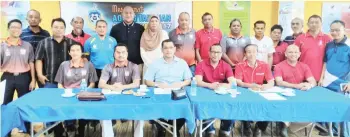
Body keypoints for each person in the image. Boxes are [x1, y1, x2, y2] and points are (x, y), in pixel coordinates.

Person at [35, 18, 78, 137]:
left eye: (61, 27)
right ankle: (55, 128)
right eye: (56, 27)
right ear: (51, 27)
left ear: (65, 29)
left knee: (69, 104)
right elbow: (38, 59)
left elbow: (78, 60)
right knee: (52, 104)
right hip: (50, 79)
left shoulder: (71, 43)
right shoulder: (44, 42)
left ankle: (70, 125)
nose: (58, 30)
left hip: (69, 81)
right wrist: (39, 74)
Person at [144, 39, 192, 137]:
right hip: (160, 91)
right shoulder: (155, 63)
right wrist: (158, 84)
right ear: (162, 50)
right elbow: (147, 81)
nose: (168, 50)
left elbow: (188, 80)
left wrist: (180, 84)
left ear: (175, 49)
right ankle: (161, 128)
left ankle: (175, 127)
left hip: (177, 91)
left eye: (171, 48)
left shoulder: (182, 63)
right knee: (153, 106)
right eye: (165, 48)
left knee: (186, 106)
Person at [54, 43, 98, 137]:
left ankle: (81, 128)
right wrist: (65, 92)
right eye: (73, 50)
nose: (75, 52)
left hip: (83, 94)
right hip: (67, 95)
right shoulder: (64, 65)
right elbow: (59, 83)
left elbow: (92, 83)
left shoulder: (89, 65)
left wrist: (85, 91)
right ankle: (68, 127)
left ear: (82, 52)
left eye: (78, 50)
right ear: (69, 52)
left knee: (83, 109)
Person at [1, 19, 36, 136]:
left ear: (21, 30)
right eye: (13, 27)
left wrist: (33, 79)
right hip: (7, 78)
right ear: (8, 29)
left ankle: (27, 128)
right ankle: (5, 130)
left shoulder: (27, 46)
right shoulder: (2, 46)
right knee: (5, 104)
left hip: (24, 77)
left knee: (25, 103)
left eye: (18, 27)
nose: (16, 29)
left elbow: (31, 63)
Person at [99, 43, 142, 137]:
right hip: (112, 100)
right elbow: (101, 84)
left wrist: (122, 87)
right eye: (118, 52)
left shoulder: (134, 66)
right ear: (114, 54)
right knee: (104, 113)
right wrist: (113, 87)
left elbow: (136, 83)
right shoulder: (108, 67)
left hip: (130, 99)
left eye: (123, 52)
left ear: (127, 53)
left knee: (140, 113)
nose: (120, 54)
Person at [274, 45, 316, 137]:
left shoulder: (304, 66)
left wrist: (309, 85)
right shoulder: (278, 66)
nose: (293, 54)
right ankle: (284, 125)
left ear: (299, 54)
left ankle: (290, 126)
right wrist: (296, 86)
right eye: (290, 52)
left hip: (301, 95)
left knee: (312, 111)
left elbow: (313, 81)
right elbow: (279, 82)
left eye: (296, 52)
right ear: (285, 54)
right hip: (284, 96)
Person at [195, 44, 236, 137]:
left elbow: (232, 82)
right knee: (204, 107)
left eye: (218, 52)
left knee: (232, 107)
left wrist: (223, 85)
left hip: (221, 92)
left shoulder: (226, 65)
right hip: (205, 92)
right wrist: (210, 85)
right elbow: (197, 81)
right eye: (213, 52)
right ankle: (210, 130)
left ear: (221, 54)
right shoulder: (201, 64)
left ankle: (225, 129)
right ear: (209, 53)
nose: (215, 54)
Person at [235, 44, 274, 137]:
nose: (251, 54)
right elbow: (238, 82)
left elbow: (271, 81)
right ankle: (246, 126)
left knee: (270, 106)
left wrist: (267, 86)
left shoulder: (264, 65)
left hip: (260, 92)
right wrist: (250, 85)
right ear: (245, 54)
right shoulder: (240, 65)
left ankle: (259, 127)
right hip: (245, 91)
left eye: (254, 51)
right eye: (249, 52)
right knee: (244, 103)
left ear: (257, 53)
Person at [320, 20, 350, 137]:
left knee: (343, 112)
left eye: (337, 30)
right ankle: (330, 132)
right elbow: (325, 62)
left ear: (344, 30)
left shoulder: (348, 45)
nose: (334, 32)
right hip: (327, 83)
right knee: (329, 109)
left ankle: (344, 134)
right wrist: (321, 78)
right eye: (332, 30)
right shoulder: (329, 44)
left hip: (342, 85)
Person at [294, 15, 332, 83]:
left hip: (320, 77)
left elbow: (330, 59)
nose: (314, 24)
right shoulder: (300, 38)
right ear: (308, 24)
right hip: (303, 76)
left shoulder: (327, 38)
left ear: (321, 24)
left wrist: (323, 77)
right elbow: (293, 57)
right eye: (312, 22)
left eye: (317, 22)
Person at [20, 9, 50, 88]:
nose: (33, 19)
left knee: (45, 92)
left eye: (36, 17)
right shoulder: (21, 34)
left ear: (40, 20)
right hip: (27, 69)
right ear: (26, 19)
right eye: (31, 17)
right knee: (28, 93)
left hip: (43, 68)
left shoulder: (46, 34)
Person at [84, 20, 117, 85]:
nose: (102, 29)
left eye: (104, 27)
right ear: (95, 28)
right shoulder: (89, 41)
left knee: (109, 90)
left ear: (107, 28)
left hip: (110, 69)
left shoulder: (113, 40)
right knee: (95, 91)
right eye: (99, 27)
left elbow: (116, 55)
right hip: (95, 70)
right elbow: (85, 57)